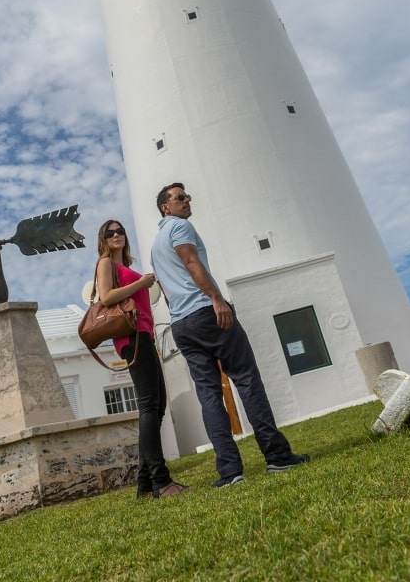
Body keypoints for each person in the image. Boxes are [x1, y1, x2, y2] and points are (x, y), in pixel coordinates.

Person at [150, 183, 310, 488]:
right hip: (206, 312)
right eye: (180, 198)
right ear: (165, 207)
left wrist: (183, 314)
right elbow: (192, 262)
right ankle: (276, 456)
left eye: (187, 197)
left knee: (208, 394)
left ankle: (230, 471)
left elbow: (168, 293)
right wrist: (217, 299)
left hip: (182, 324)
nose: (187, 201)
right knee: (247, 379)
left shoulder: (155, 246)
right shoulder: (179, 227)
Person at [95, 219, 188, 498]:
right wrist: (142, 283)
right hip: (131, 337)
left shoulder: (127, 267)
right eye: (110, 232)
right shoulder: (105, 264)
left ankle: (145, 486)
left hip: (144, 337)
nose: (116, 235)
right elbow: (106, 296)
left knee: (157, 407)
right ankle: (162, 482)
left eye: (120, 231)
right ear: (103, 239)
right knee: (149, 405)